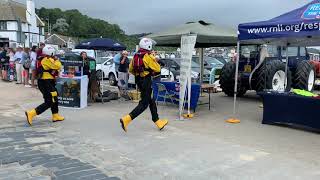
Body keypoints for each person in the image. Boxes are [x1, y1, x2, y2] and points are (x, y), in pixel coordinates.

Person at [120, 38, 168, 132]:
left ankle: (157, 121)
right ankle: (126, 119)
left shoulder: (135, 55)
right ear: (148, 46)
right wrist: (155, 59)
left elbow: (130, 69)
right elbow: (157, 69)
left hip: (139, 80)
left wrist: (140, 74)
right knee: (144, 104)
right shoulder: (148, 56)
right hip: (146, 81)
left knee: (151, 100)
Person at [25, 45, 65, 126]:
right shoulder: (47, 59)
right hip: (45, 82)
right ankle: (32, 113)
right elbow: (58, 66)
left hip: (47, 82)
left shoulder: (43, 58)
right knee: (49, 101)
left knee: (54, 97)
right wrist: (57, 60)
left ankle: (55, 115)